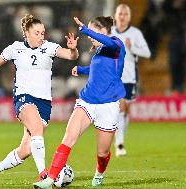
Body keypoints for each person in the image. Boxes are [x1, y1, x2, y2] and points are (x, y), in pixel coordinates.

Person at [0, 14, 79, 187]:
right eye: (37, 33)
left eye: (43, 33)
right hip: (23, 97)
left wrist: (73, 50)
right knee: (36, 129)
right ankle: (44, 175)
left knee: (25, 150)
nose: (41, 36)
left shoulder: (49, 47)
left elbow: (70, 56)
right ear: (26, 33)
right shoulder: (16, 48)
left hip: (44, 102)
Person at [33, 16, 126, 189]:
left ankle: (99, 173)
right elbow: (99, 70)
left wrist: (86, 30)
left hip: (108, 105)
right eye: (89, 33)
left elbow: (109, 44)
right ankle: (50, 179)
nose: (90, 37)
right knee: (68, 137)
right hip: (87, 101)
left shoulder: (116, 45)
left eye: (93, 32)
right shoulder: (98, 51)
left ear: (103, 31)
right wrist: (82, 69)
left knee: (103, 152)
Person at [111, 4, 151, 157]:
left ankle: (120, 140)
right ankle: (119, 144)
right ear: (115, 16)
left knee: (126, 110)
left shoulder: (135, 33)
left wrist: (132, 47)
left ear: (129, 17)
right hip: (115, 77)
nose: (122, 17)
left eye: (125, 14)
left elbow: (146, 53)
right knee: (120, 108)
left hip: (130, 77)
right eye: (120, 14)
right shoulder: (110, 34)